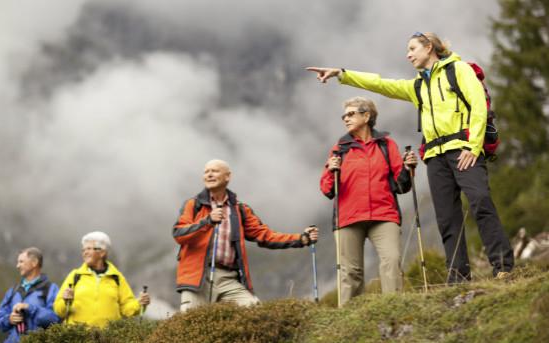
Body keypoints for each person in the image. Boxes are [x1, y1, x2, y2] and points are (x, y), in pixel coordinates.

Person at [307, 31, 514, 282]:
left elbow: (479, 106)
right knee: (447, 218)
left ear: (429, 47)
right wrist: (342, 74)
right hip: (436, 157)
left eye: (412, 49)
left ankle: (503, 266)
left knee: (481, 202)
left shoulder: (458, 70)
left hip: (463, 149)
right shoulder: (417, 86)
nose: (408, 55)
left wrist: (472, 146)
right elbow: (381, 84)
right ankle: (458, 276)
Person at [173, 159, 319, 312]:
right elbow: (179, 234)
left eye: (214, 171)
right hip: (198, 278)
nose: (209, 175)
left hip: (228, 278)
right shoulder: (193, 205)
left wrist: (301, 238)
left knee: (256, 311)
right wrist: (207, 221)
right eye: (206, 172)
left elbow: (265, 235)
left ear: (227, 176)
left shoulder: (240, 209)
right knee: (193, 327)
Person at [320, 96, 416, 306]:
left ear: (367, 116)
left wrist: (409, 169)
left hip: (384, 215)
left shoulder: (386, 145)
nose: (346, 118)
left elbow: (402, 186)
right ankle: (348, 320)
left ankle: (394, 308)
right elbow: (327, 189)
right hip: (348, 218)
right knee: (350, 272)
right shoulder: (340, 149)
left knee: (391, 261)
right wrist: (331, 170)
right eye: (344, 115)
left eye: (351, 113)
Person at [53, 231, 150, 327]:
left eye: (89, 249)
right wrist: (65, 301)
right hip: (78, 337)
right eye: (83, 250)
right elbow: (58, 310)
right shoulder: (75, 276)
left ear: (102, 252)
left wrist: (139, 303)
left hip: (108, 337)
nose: (85, 252)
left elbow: (127, 309)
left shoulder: (117, 277)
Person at [0, 247, 60, 342]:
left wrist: (30, 308)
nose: (17, 266)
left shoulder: (51, 289)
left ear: (34, 263)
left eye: (21, 262)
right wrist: (9, 319)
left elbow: (55, 319)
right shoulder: (13, 291)